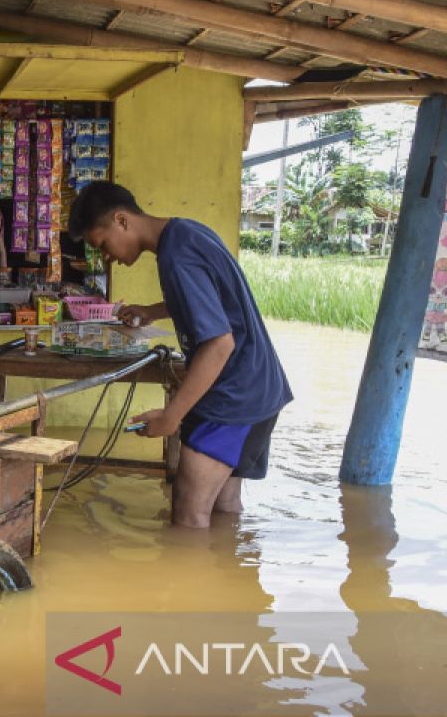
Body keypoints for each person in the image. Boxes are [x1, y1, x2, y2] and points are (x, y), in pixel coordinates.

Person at [68, 181, 291, 529]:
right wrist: (155, 311)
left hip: (235, 395)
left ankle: (183, 583)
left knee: (189, 513)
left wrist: (172, 415)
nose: (107, 257)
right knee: (224, 507)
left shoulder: (176, 257)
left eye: (103, 244)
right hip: (262, 387)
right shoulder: (187, 232)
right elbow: (213, 300)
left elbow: (219, 344)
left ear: (121, 220)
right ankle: (230, 579)